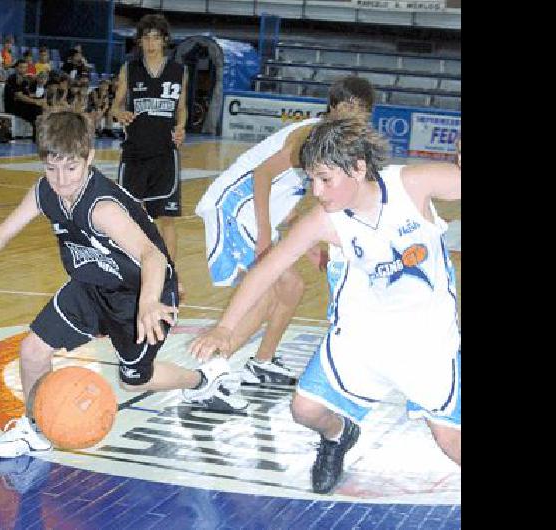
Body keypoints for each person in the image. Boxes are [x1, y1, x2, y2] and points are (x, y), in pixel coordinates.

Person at [0, 111, 248, 458]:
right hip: (90, 285)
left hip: (141, 293)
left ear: (90, 157)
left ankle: (204, 381)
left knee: (136, 380)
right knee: (32, 351)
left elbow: (152, 256)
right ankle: (35, 427)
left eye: (71, 168)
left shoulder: (101, 207)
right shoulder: (44, 192)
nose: (61, 179)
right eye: (51, 168)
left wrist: (148, 302)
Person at [190, 103, 461, 494]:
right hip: (361, 337)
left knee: (451, 442)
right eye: (311, 180)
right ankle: (338, 436)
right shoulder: (324, 220)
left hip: (426, 340)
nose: (315, 191)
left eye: (324, 179)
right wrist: (224, 328)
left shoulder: (412, 184)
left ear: (357, 168)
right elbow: (266, 269)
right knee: (305, 409)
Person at [194, 76, 376, 386]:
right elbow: (263, 174)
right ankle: (210, 377)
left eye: (362, 109)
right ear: (333, 107)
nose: (354, 114)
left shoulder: (327, 141)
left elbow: (285, 196)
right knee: (266, 293)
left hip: (254, 213)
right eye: (349, 106)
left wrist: (306, 244)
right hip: (234, 208)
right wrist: (265, 236)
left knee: (292, 287)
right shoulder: (310, 135)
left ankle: (262, 363)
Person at [110, 14, 188, 296]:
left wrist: (181, 127)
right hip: (134, 154)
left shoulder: (179, 70)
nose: (151, 42)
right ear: (140, 41)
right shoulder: (129, 69)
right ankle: (128, 273)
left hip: (165, 154)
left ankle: (168, 275)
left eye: (156, 37)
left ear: (165, 40)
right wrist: (119, 113)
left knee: (166, 219)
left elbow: (182, 108)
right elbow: (115, 106)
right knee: (128, 217)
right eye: (146, 37)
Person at [3, 59, 45, 140]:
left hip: (22, 104)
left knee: (40, 108)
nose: (24, 69)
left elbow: (28, 94)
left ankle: (38, 133)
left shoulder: (26, 79)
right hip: (12, 105)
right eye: (21, 67)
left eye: (25, 67)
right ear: (16, 68)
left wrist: (36, 82)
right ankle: (37, 135)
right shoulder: (12, 79)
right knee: (36, 108)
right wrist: (35, 101)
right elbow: (19, 96)